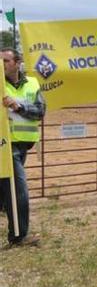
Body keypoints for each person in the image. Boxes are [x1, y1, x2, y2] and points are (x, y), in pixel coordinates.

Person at [1, 48, 45, 248]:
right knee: (19, 191)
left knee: (6, 191)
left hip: (23, 145)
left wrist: (18, 107)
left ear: (17, 63)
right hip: (5, 146)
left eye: (6, 60)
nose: (2, 64)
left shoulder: (33, 84)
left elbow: (40, 111)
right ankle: (18, 236)